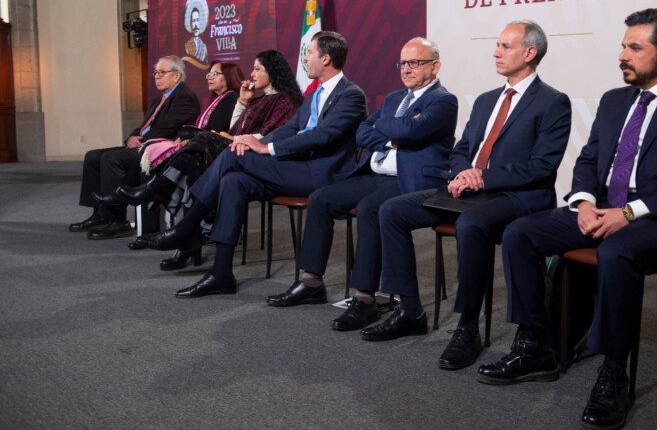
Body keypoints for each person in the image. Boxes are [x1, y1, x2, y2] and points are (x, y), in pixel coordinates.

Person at [481, 8, 657, 430]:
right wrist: (581, 203)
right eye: (623, 45)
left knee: (616, 252)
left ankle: (614, 372)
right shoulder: (615, 100)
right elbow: (590, 159)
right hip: (600, 207)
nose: (622, 54)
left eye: (635, 47)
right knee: (521, 233)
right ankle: (535, 344)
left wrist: (629, 212)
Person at [361, 21, 572, 371]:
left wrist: (482, 178)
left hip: (517, 196)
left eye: (505, 46)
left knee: (471, 224)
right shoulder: (488, 100)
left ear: (530, 53)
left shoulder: (552, 102)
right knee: (393, 210)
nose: (496, 52)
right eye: (497, 45)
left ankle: (467, 328)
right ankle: (410, 310)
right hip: (468, 189)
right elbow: (461, 150)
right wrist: (463, 172)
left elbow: (541, 168)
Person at [141, 31, 368, 298]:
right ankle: (221, 273)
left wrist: (266, 147)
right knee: (233, 181)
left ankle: (186, 227)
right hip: (295, 169)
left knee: (231, 155)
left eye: (309, 53)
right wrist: (251, 141)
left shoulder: (351, 95)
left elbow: (323, 135)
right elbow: (291, 128)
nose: (305, 58)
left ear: (326, 58)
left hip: (320, 175)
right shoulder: (315, 94)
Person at [266, 37, 458, 332]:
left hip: (413, 181)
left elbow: (412, 128)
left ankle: (365, 299)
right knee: (321, 198)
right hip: (375, 174)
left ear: (435, 66)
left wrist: (391, 130)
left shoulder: (443, 100)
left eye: (414, 63)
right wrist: (395, 137)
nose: (406, 69)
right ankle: (311, 281)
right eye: (403, 63)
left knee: (370, 209)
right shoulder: (395, 98)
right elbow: (362, 131)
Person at [118, 51, 302, 270]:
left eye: (257, 69)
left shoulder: (285, 101)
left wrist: (235, 137)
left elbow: (275, 136)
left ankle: (164, 198)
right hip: (237, 149)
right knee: (195, 164)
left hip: (255, 157)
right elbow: (236, 128)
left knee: (202, 140)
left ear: (272, 71)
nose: (252, 73)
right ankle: (185, 236)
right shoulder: (260, 98)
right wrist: (242, 103)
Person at [68, 55, 200, 240]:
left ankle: (117, 220)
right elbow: (145, 126)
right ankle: (99, 214)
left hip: (160, 150)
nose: (156, 76)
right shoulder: (159, 99)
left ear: (177, 76)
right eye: (155, 72)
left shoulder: (185, 97)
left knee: (111, 159)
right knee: (93, 156)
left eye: (162, 72)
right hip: (145, 144)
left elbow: (167, 128)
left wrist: (140, 139)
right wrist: (131, 137)